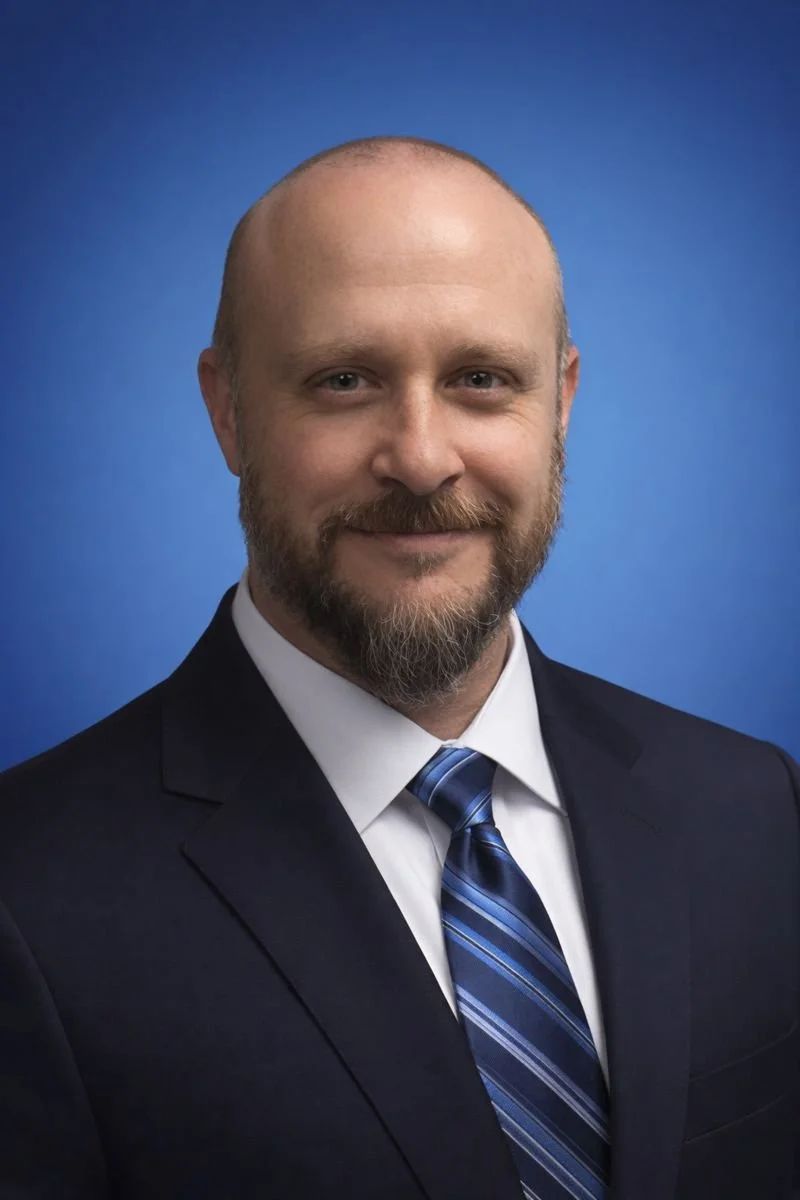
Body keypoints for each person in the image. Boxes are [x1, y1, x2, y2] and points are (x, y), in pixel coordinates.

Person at [0, 134, 797, 1200]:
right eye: (343, 380)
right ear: (227, 408)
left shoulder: (755, 810)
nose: (420, 458)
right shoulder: (27, 891)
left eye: (480, 379)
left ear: (559, 402)